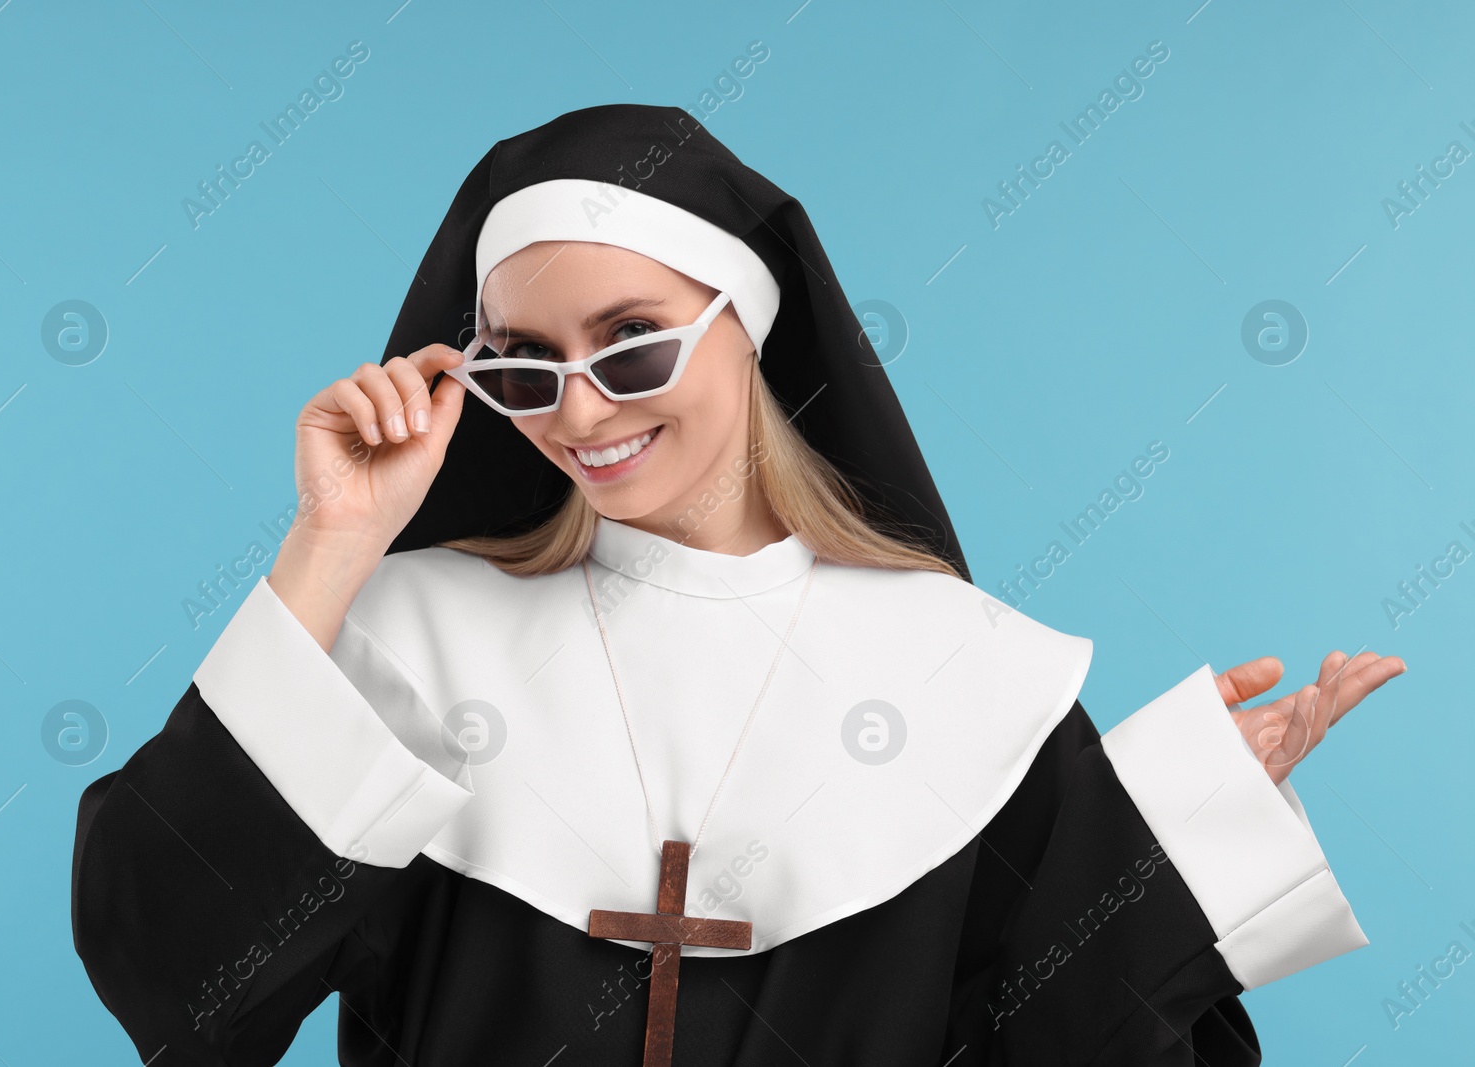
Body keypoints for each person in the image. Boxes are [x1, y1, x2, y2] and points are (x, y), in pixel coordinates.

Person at [71, 104, 1405, 1066]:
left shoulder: (960, 672)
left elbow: (1049, 1038)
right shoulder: (416, 640)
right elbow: (184, 995)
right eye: (522, 367)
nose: (579, 409)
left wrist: (1170, 832)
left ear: (748, 331)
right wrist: (334, 547)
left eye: (633, 346)